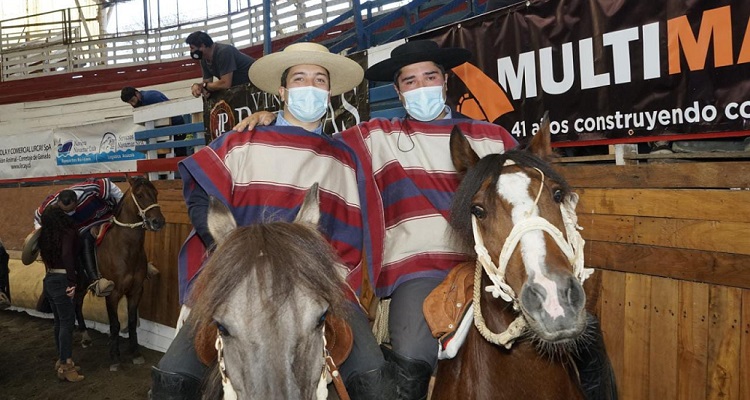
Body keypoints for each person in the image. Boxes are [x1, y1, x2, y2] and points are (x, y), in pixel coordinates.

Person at [239, 40, 615, 400]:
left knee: (586, 334)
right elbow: (317, 146)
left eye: (429, 77)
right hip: (417, 268)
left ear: (445, 82)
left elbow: (524, 194)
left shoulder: (492, 136)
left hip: (493, 264)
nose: (421, 87)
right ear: (399, 94)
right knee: (413, 348)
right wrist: (277, 120)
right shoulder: (375, 137)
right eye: (409, 81)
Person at [150, 42, 365, 399]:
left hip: (313, 286)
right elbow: (201, 192)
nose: (309, 87)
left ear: (329, 92)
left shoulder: (344, 155)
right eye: (299, 79)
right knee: (173, 377)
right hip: (239, 283)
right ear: (282, 91)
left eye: (319, 80)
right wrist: (228, 247)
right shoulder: (242, 139)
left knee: (372, 372)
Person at [33, 178, 123, 297]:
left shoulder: (89, 189)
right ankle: (94, 280)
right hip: (78, 227)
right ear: (58, 203)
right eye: (65, 211)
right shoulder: (50, 204)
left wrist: (121, 204)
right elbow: (38, 218)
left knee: (125, 231)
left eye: (71, 210)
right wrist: (39, 236)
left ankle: (142, 266)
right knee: (84, 239)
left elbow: (109, 184)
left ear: (76, 202)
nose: (69, 213)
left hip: (103, 215)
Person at [39, 206, 85, 382]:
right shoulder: (67, 232)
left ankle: (62, 360)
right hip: (62, 280)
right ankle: (66, 366)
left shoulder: (45, 236)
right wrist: (72, 281)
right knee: (67, 323)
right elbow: (67, 254)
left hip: (49, 279)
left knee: (59, 322)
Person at [120, 86, 188, 156]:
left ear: (137, 94)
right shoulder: (144, 99)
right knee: (159, 152)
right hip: (162, 126)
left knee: (179, 151)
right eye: (130, 103)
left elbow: (168, 109)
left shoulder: (150, 96)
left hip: (175, 122)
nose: (133, 104)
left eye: (133, 100)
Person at [185, 31, 255, 99]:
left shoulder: (224, 52)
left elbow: (225, 84)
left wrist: (204, 86)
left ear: (202, 46)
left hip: (255, 83)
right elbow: (207, 84)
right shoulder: (204, 59)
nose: (191, 52)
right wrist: (198, 87)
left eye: (192, 48)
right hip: (242, 88)